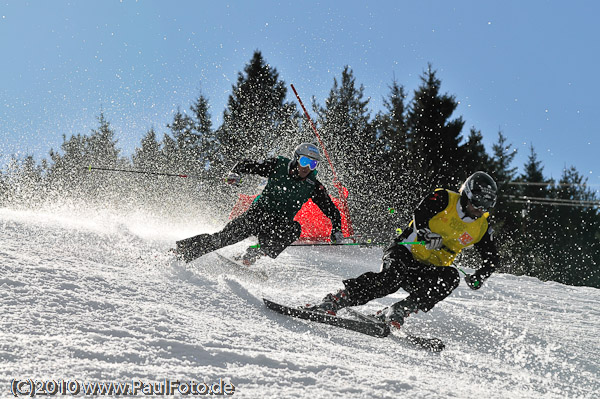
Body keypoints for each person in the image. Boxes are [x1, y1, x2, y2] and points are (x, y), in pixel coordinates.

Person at [308, 171, 500, 328]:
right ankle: (335, 299)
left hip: (427, 270)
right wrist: (425, 233)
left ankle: (398, 310)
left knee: (450, 277)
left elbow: (492, 259)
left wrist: (480, 275)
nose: (479, 210)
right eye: (476, 203)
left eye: (485, 207)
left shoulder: (481, 227)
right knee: (390, 280)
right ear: (466, 195)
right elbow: (420, 212)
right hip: (405, 252)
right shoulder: (444, 198)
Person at [175, 143, 344, 265]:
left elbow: (332, 211)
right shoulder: (278, 165)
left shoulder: (313, 185)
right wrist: (235, 173)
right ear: (296, 158)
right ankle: (182, 251)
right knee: (223, 238)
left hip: (278, 224)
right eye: (305, 161)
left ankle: (255, 252)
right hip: (257, 214)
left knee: (294, 228)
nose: (307, 167)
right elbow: (248, 164)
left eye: (313, 164)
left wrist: (337, 229)